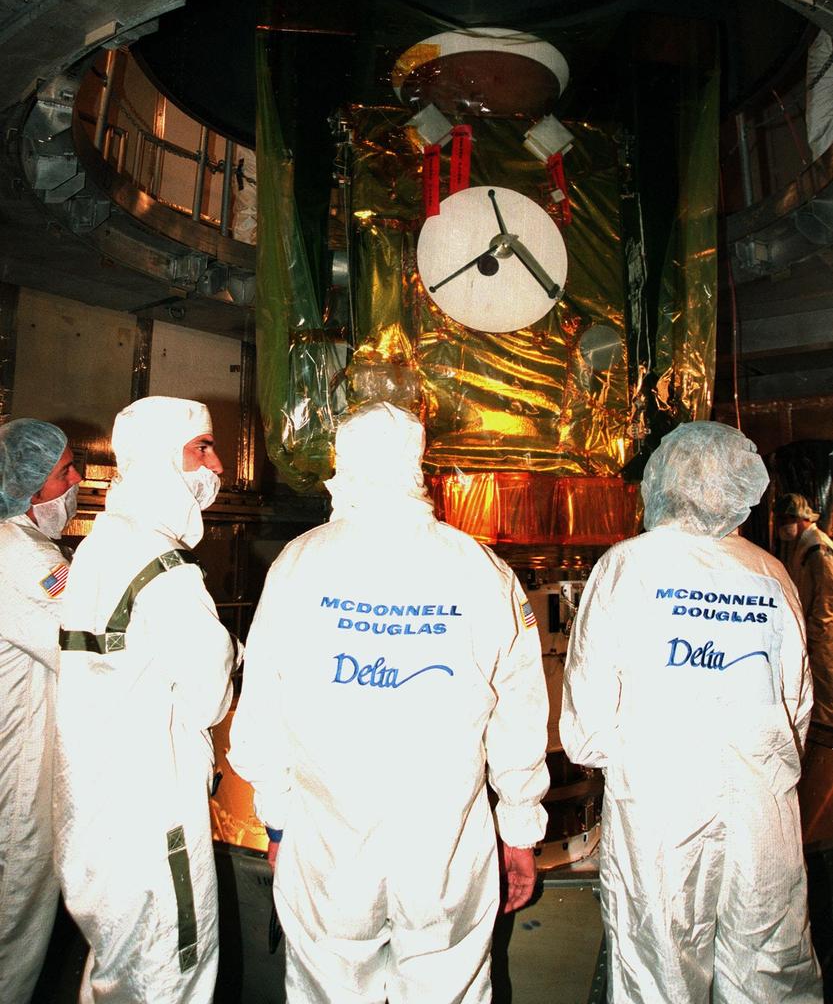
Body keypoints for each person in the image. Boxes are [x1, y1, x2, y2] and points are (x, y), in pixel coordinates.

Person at [229, 401, 549, 1004]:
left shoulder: (299, 564)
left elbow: (261, 713)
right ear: (418, 463)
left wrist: (277, 819)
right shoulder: (483, 570)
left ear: (340, 463)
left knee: (328, 989)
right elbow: (520, 713)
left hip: (328, 848)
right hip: (446, 849)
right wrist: (520, 829)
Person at [560, 420, 822, 1003]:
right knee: (769, 970)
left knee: (660, 970)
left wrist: (632, 759)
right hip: (762, 806)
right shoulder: (768, 572)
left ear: (664, 479)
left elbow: (586, 725)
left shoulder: (627, 567)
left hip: (661, 807)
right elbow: (797, 702)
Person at [54, 396, 240, 1004]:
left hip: (97, 819)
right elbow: (211, 697)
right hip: (157, 829)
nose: (217, 466)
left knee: (113, 977)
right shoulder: (166, 573)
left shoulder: (99, 549)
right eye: (202, 449)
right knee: (168, 979)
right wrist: (234, 650)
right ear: (164, 460)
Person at [0, 418, 81, 1003]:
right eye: (65, 472)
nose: (78, 481)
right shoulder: (21, 555)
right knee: (15, 923)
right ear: (29, 490)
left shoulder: (27, 550)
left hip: (21, 754)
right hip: (17, 771)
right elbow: (86, 644)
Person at [774, 492, 833, 729]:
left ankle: (826, 750)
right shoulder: (801, 545)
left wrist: (817, 633)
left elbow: (828, 597)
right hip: (812, 631)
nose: (782, 526)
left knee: (826, 691)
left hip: (823, 634)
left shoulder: (818, 548)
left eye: (785, 519)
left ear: (800, 517)